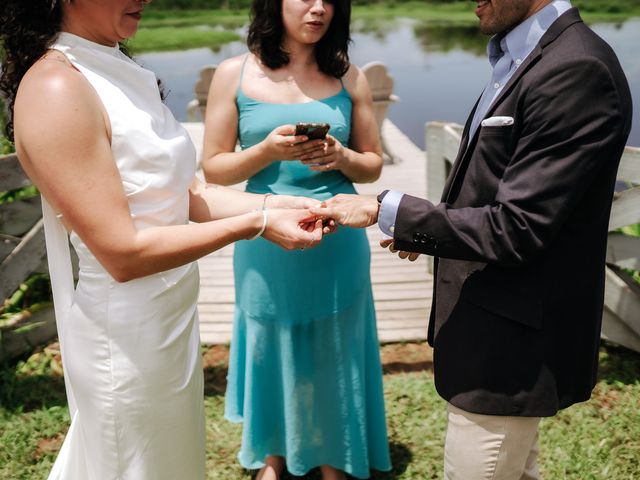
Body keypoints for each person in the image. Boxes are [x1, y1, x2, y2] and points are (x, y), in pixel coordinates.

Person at [0, 1, 325, 479]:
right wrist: (255, 225)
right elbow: (122, 255)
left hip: (169, 323)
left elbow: (188, 194)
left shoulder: (118, 66)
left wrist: (283, 206)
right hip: (124, 340)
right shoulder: (56, 85)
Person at [311, 0, 633, 478]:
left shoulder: (577, 67)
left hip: (512, 348)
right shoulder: (521, 56)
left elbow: (519, 226)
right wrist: (426, 232)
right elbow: (496, 191)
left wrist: (385, 210)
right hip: (490, 329)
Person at [200, 0, 391, 478]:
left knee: (335, 346)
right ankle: (273, 457)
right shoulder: (233, 73)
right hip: (262, 230)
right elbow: (214, 168)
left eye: (329, 0)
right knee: (269, 342)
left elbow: (373, 164)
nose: (318, 8)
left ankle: (334, 457)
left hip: (336, 235)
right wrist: (266, 150)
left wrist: (341, 156)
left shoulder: (349, 75)